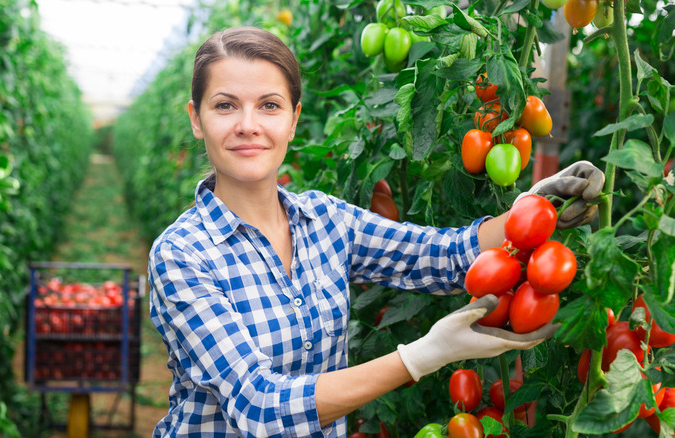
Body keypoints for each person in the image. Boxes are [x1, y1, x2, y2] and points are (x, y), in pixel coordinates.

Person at [147, 26, 604, 437]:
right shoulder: (182, 254)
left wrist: (537, 207)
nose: (248, 126)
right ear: (196, 117)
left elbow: (439, 256)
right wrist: (423, 355)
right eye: (225, 106)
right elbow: (259, 407)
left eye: (269, 106)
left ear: (293, 118)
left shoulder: (324, 221)